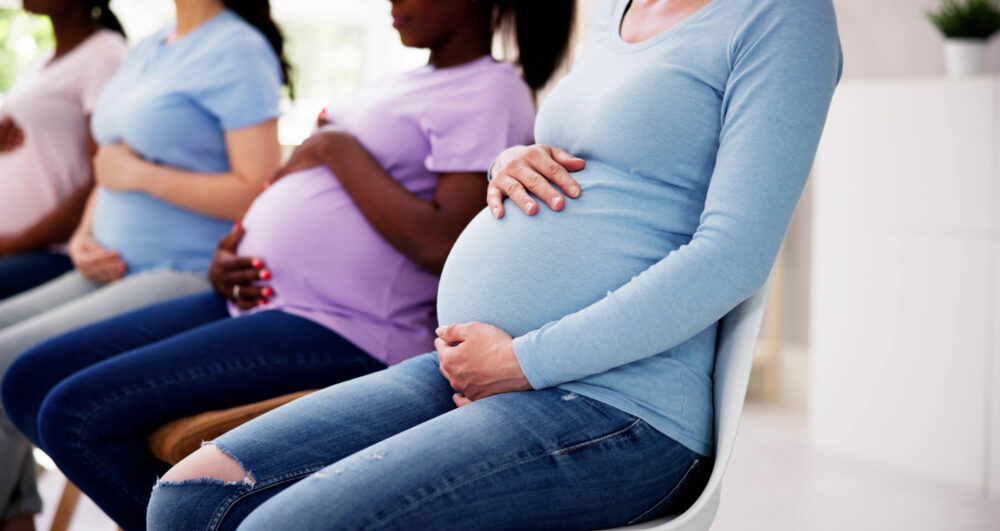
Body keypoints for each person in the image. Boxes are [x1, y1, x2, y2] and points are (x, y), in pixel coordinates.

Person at [143, 0, 844, 529]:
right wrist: (512, 161)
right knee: (186, 499)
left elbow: (732, 257)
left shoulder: (782, 17)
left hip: (618, 404)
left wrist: (526, 360)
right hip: (470, 368)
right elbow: (591, 151)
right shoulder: (620, 7)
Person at [1, 0, 573, 529]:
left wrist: (336, 149)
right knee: (26, 380)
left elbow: (443, 244)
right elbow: (288, 189)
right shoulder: (406, 82)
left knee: (78, 415)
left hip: (349, 324)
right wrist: (234, 247)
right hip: (253, 295)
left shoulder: (493, 90)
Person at [0, 0, 289, 527]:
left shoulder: (239, 49)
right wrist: (86, 235)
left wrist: (139, 177)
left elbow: (257, 189)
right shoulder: (151, 45)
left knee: (6, 361)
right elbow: (109, 157)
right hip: (106, 262)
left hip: (180, 268)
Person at [0, 0, 127, 303]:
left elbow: (105, 174)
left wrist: (10, 245)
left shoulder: (104, 55)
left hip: (55, 250)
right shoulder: (41, 63)